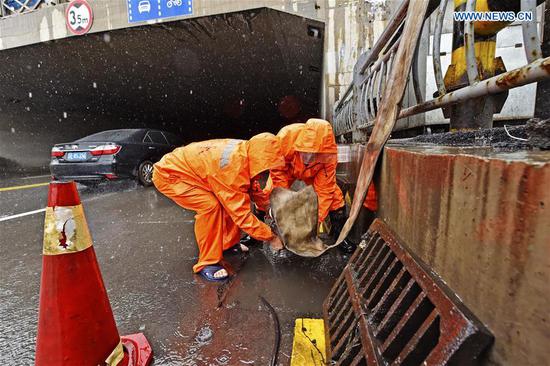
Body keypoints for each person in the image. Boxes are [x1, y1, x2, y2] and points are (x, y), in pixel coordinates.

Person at [152, 133, 285, 282]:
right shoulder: (233, 168)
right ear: (260, 159)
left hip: (187, 170)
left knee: (229, 203)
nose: (265, 172)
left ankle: (228, 245)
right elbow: (241, 216)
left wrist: (267, 206)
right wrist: (271, 237)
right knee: (210, 207)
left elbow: (251, 189)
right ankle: (206, 263)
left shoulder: (248, 153)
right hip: (170, 174)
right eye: (266, 166)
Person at [250, 118, 355, 253]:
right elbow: (277, 169)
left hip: (313, 173)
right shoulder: (285, 137)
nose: (308, 157)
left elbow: (325, 190)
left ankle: (340, 237)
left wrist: (313, 222)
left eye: (314, 154)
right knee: (269, 195)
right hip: (286, 170)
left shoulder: (329, 156)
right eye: (305, 151)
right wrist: (281, 205)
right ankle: (255, 235)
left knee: (335, 198)